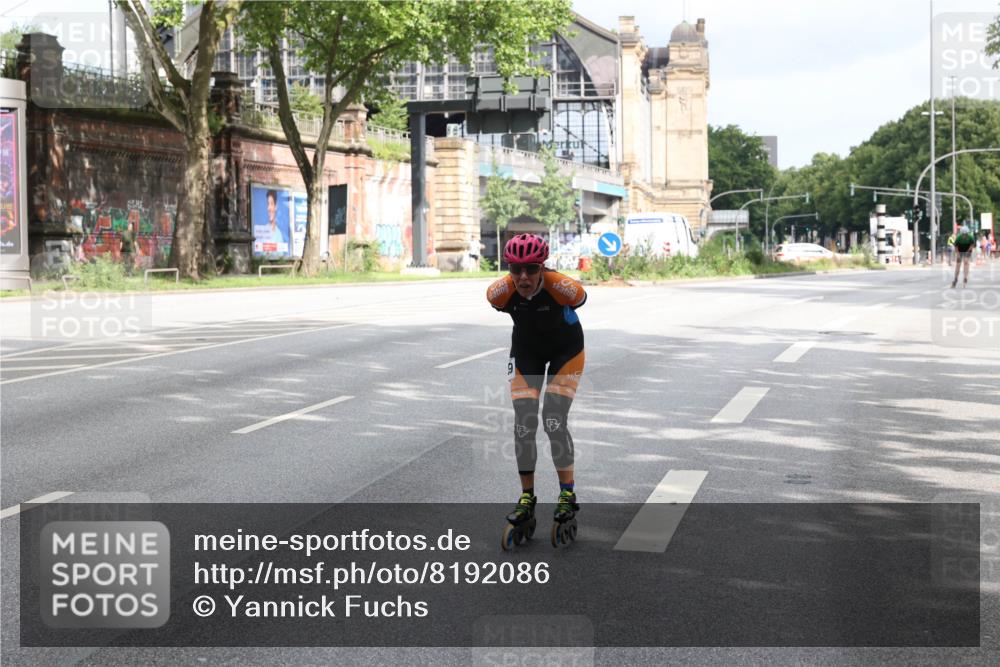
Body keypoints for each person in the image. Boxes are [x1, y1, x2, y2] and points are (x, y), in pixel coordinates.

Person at [486, 233, 587, 549]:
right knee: (523, 423)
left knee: (554, 419)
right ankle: (527, 497)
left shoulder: (563, 287)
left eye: (531, 269)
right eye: (516, 269)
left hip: (566, 351)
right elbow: (502, 300)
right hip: (527, 352)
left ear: (543, 268)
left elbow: (581, 300)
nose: (523, 277)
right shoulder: (498, 293)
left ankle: (567, 493)